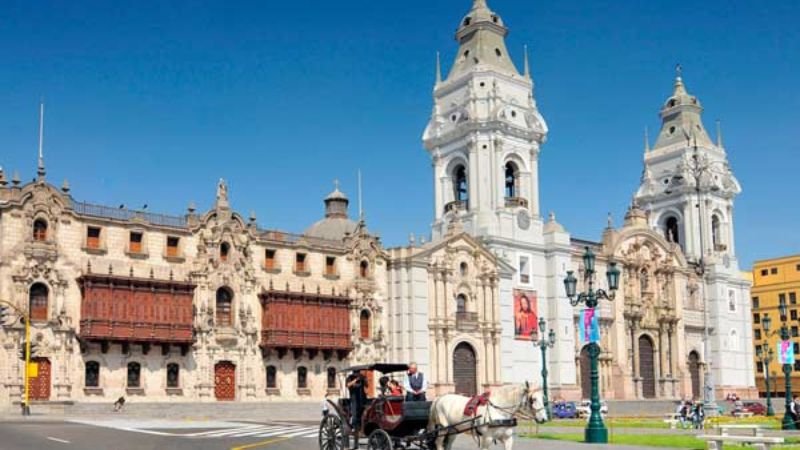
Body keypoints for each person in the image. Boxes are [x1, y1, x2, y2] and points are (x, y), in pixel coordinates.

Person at [346, 369, 368, 450]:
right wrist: (355, 380)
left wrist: (364, 379)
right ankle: (354, 429)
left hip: (362, 399)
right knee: (355, 418)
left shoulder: (362, 378)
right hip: (354, 400)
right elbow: (348, 385)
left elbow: (367, 386)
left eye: (358, 373)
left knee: (365, 416)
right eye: (356, 373)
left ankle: (363, 429)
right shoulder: (350, 377)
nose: (357, 374)